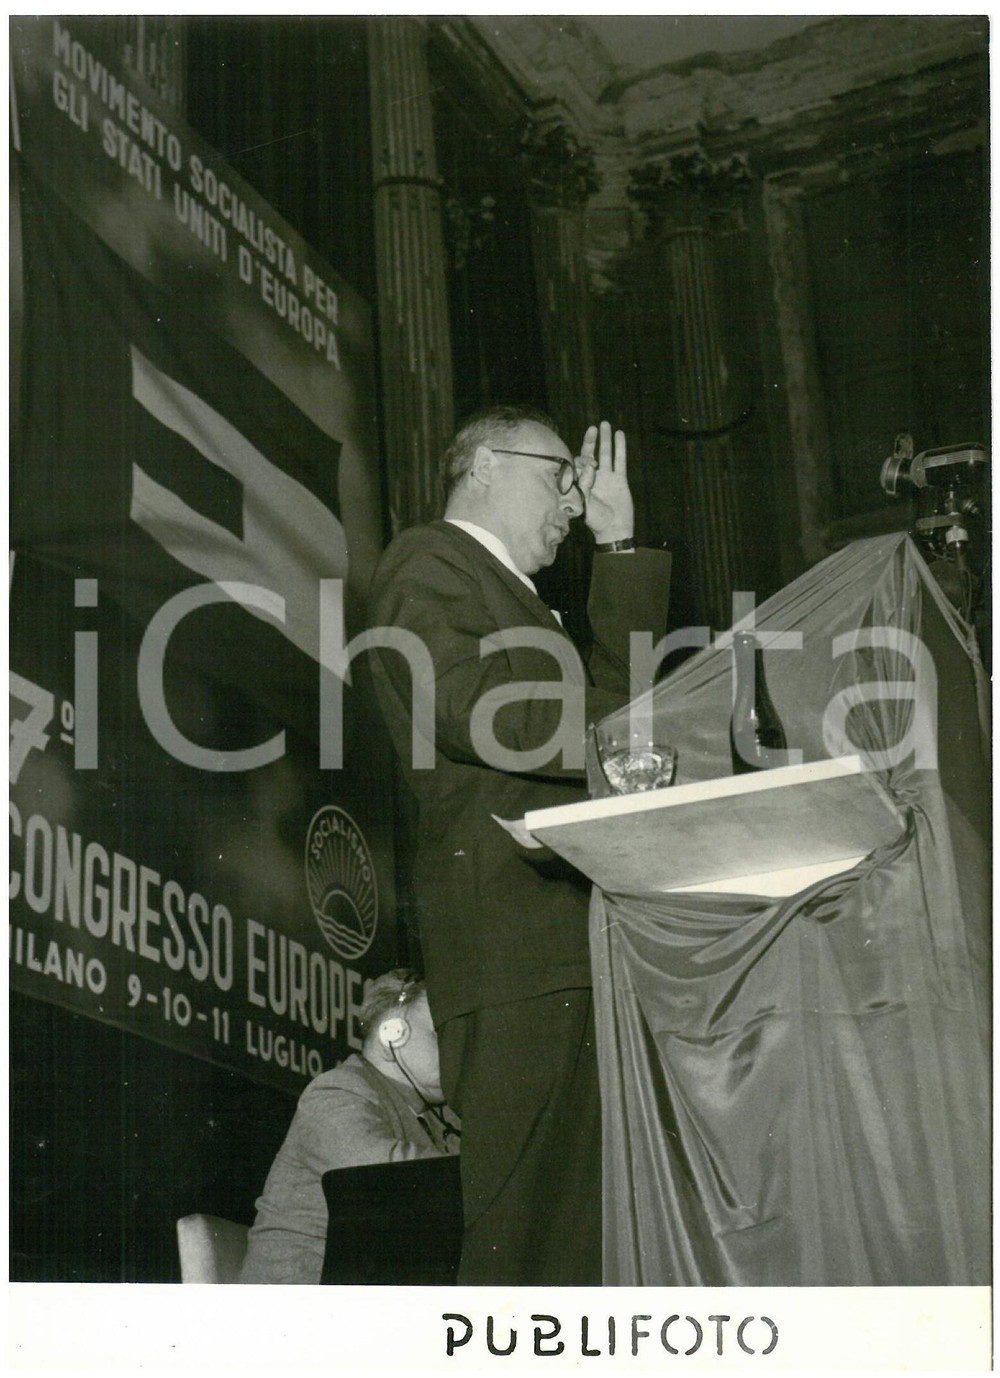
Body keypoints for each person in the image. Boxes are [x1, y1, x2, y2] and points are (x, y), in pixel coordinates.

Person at [368, 408, 671, 1284]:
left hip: (568, 946)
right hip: (512, 949)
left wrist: (620, 554)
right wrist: (634, 747)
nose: (577, 500)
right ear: (485, 467)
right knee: (527, 1240)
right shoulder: (430, 560)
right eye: (562, 474)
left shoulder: (524, 600)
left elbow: (626, 708)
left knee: (579, 1243)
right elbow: (472, 709)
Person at [239, 969, 459, 1284]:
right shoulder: (336, 1090)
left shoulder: (438, 1120)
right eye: (440, 1034)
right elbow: (388, 1177)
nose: (456, 1050)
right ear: (392, 1034)